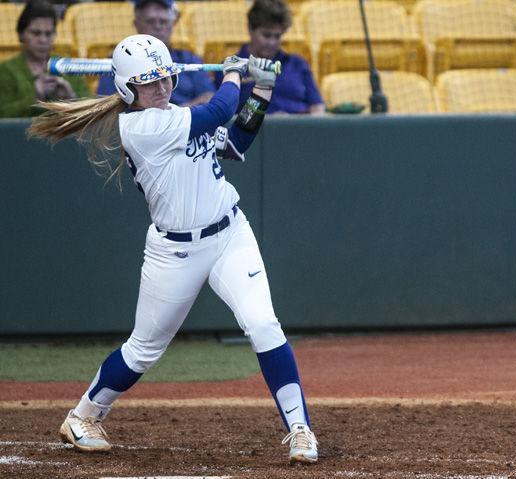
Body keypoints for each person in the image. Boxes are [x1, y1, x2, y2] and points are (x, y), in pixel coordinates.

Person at [28, 33, 318, 465]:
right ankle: (83, 415)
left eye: (165, 78)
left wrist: (261, 90)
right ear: (128, 90)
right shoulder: (141, 128)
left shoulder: (176, 115)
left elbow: (235, 143)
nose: (162, 88)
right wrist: (234, 73)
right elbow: (220, 108)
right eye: (150, 83)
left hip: (229, 234)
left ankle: (300, 429)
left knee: (263, 325)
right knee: (144, 349)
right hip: (174, 253)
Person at [96, 0, 215, 107]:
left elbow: (208, 97)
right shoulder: (119, 62)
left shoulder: (189, 59)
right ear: (137, 24)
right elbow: (107, 107)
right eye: (150, 21)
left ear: (172, 24)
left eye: (163, 21)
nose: (157, 27)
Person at [214, 0, 324, 115]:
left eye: (277, 36)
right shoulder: (230, 69)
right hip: (251, 130)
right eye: (266, 35)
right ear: (250, 29)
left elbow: (317, 106)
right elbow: (223, 114)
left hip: (299, 130)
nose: (272, 42)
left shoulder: (298, 64)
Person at [0, 0, 89, 118]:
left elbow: (91, 108)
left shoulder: (67, 65)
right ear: (21, 34)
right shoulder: (6, 70)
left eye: (48, 34)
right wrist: (34, 98)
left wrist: (71, 98)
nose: (43, 40)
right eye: (36, 33)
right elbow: (3, 113)